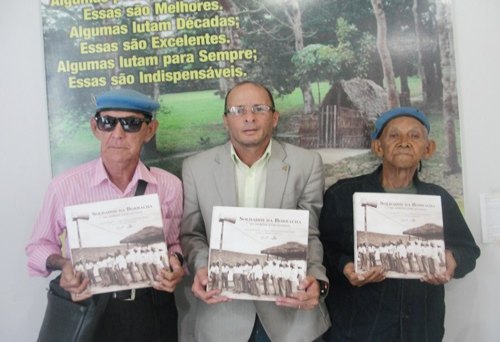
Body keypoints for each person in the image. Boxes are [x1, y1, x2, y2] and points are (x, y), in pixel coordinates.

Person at [25, 88, 185, 342]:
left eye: (131, 124)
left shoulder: (169, 186)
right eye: (108, 123)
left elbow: (175, 244)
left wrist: (176, 263)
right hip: (89, 307)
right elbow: (37, 248)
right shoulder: (65, 186)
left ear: (150, 130)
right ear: (95, 127)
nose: (117, 134)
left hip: (152, 309)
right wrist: (65, 264)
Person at [179, 81, 331, 342]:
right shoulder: (196, 167)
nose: (249, 117)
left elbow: (309, 234)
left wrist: (317, 278)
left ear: (274, 118)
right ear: (226, 120)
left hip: (290, 315)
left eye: (259, 108)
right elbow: (192, 234)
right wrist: (203, 267)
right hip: (223, 315)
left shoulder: (306, 163)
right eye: (238, 110)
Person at [319, 107, 481, 341]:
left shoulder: (439, 199)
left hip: (421, 329)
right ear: (378, 147)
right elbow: (321, 250)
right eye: (394, 135)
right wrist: (345, 266)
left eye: (415, 136)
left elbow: (469, 251)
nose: (404, 142)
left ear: (428, 149)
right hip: (358, 330)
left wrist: (452, 260)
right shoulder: (343, 195)